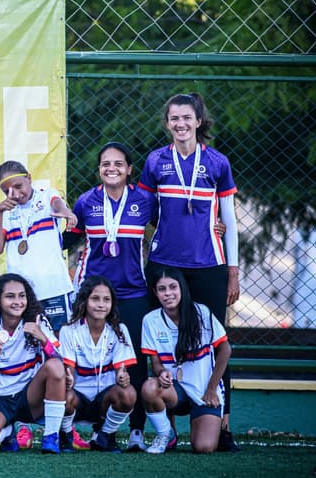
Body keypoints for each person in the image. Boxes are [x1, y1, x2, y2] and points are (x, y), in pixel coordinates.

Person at [138, 92, 240, 451]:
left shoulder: (217, 162)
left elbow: (228, 218)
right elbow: (145, 208)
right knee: (157, 335)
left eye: (187, 118)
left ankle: (223, 422)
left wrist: (233, 270)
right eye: (174, 118)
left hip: (209, 264)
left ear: (199, 121)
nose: (180, 124)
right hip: (165, 260)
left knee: (216, 339)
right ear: (167, 123)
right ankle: (165, 425)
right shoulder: (155, 161)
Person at [65, 142, 155, 451]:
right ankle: (99, 429)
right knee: (92, 359)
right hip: (93, 294)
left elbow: (169, 229)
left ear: (130, 170)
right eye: (105, 164)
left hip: (132, 292)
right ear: (99, 169)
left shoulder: (145, 200)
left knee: (136, 364)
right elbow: (68, 239)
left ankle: (137, 430)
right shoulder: (86, 201)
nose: (111, 168)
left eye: (118, 164)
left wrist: (215, 225)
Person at [0, 273, 67, 453]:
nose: (17, 301)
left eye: (22, 296)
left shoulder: (38, 323)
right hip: (1, 400)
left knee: (53, 366)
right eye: (10, 296)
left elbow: (60, 366)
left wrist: (43, 339)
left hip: (29, 395)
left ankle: (51, 436)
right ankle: (7, 432)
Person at [140, 268, 232, 454]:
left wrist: (212, 389)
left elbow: (225, 350)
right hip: (175, 391)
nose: (168, 294)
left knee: (203, 447)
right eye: (162, 289)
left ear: (182, 288)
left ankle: (205, 422)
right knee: (150, 388)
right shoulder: (150, 320)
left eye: (173, 287)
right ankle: (166, 434)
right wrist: (161, 373)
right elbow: (155, 362)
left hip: (203, 391)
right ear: (156, 293)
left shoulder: (201, 313)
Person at [0, 160, 77, 333]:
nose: (15, 194)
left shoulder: (46, 197)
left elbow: (57, 203)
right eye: (7, 191)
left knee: (59, 339)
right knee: (29, 344)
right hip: (23, 295)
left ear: (29, 178)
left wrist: (66, 212)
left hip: (54, 287)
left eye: (18, 186)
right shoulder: (7, 212)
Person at [59, 276, 137, 453]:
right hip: (78, 399)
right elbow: (68, 369)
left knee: (128, 393)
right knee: (62, 393)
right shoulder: (68, 330)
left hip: (104, 399)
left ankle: (106, 435)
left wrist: (122, 376)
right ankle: (65, 435)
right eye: (95, 299)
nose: (101, 304)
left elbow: (121, 369)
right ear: (84, 301)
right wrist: (68, 378)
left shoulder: (119, 330)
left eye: (106, 300)